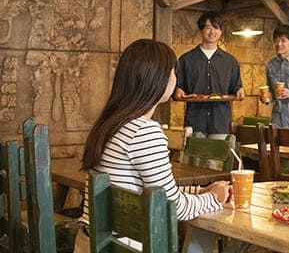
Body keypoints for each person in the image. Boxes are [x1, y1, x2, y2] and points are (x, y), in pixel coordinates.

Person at [77, 39, 229, 253]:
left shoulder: (111, 123)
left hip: (91, 243)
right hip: (124, 247)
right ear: (157, 79)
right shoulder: (144, 131)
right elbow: (173, 208)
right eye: (173, 71)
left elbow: (153, 193)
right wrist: (214, 198)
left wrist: (200, 190)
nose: (175, 78)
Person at [174, 12, 245, 137]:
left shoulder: (230, 61)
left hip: (221, 122)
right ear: (201, 30)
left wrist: (239, 90)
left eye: (216, 27)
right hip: (195, 121)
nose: (212, 32)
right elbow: (178, 86)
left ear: (221, 31)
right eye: (208, 27)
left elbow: (236, 86)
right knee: (194, 150)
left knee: (219, 150)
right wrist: (178, 91)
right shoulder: (186, 59)